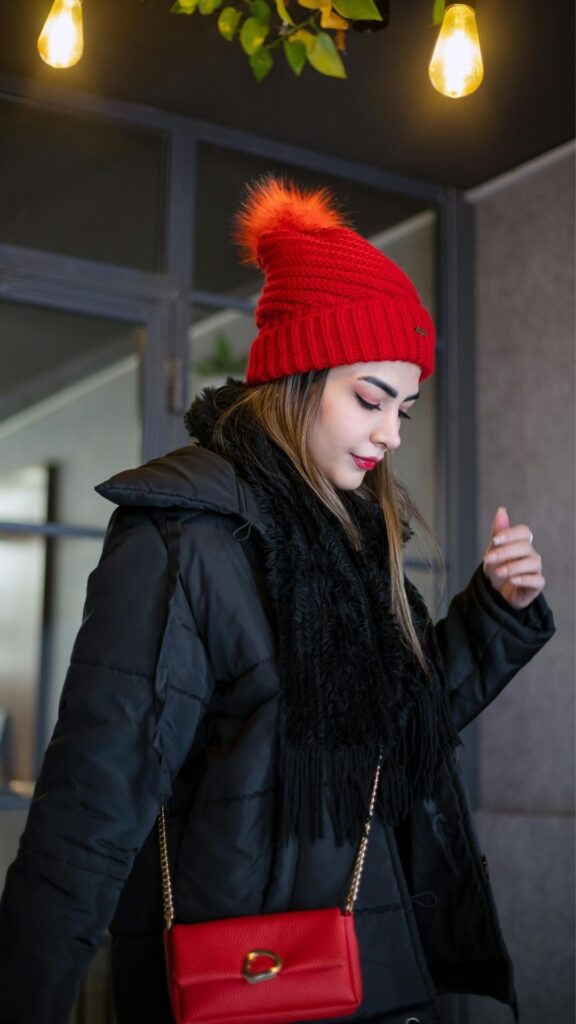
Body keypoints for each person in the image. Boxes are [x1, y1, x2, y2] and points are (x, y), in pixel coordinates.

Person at [0, 178, 555, 1024]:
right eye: (370, 399)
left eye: (405, 407)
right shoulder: (182, 540)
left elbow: (400, 731)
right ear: (296, 375)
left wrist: (497, 611)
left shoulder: (356, 540)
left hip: (376, 975)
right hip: (242, 981)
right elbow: (93, 802)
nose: (392, 433)